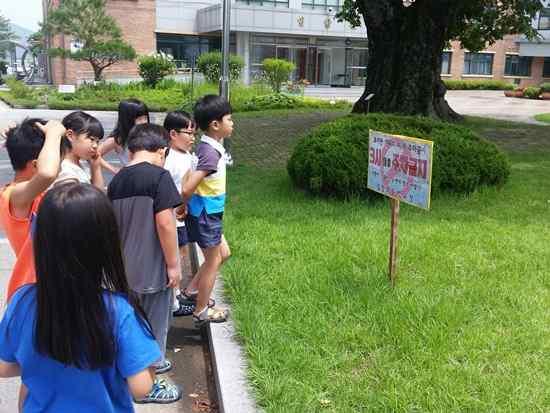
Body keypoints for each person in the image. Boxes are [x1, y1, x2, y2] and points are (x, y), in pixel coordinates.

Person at [0, 183, 166, 412]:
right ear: (105, 244)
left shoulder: (22, 302)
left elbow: (4, 366)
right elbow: (141, 387)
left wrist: (44, 362)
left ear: (41, 240)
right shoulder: (118, 311)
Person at [108, 124, 182, 403]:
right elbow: (165, 223)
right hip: (153, 270)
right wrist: (173, 266)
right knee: (154, 329)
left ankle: (129, 376)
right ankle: (148, 387)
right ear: (162, 151)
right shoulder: (159, 177)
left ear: (130, 150)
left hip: (123, 274)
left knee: (129, 328)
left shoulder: (117, 181)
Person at [0, 119, 65, 302]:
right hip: (35, 295)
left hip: (44, 290)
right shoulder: (14, 195)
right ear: (36, 164)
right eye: (59, 160)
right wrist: (53, 133)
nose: (59, 167)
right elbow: (47, 173)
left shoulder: (31, 194)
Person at [182, 95, 233, 328]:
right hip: (206, 215)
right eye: (229, 120)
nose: (233, 124)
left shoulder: (209, 147)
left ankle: (192, 291)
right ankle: (201, 310)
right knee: (213, 260)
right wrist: (181, 203)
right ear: (215, 125)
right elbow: (188, 187)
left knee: (223, 253)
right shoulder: (209, 154)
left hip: (209, 213)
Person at [162, 111, 200, 317]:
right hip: (172, 215)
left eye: (195, 133)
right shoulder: (168, 157)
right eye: (189, 132)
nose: (193, 137)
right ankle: (173, 301)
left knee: (182, 253)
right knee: (174, 257)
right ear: (173, 134)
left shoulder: (187, 156)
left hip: (182, 214)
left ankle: (175, 296)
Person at [52, 111, 105, 189]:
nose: (95, 146)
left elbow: (98, 195)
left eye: (97, 141)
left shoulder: (78, 164)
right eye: (92, 139)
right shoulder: (65, 172)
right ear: (70, 135)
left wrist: (95, 168)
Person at [99, 99, 150, 174]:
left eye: (145, 118)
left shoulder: (148, 134)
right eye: (139, 119)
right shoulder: (118, 139)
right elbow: (93, 155)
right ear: (127, 120)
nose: (144, 122)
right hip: (131, 179)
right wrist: (114, 169)